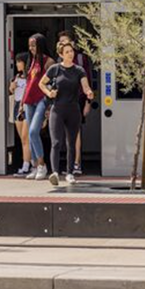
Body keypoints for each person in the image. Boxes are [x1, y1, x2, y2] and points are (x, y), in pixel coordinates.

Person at [39, 41, 95, 186]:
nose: (71, 54)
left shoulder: (79, 70)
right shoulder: (54, 69)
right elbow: (41, 83)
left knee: (71, 143)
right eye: (67, 52)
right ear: (61, 55)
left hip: (73, 110)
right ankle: (55, 173)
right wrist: (49, 93)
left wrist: (88, 92)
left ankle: (70, 173)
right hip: (57, 109)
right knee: (56, 142)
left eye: (71, 51)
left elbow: (85, 86)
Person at [56, 31, 94, 175]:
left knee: (75, 132)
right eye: (61, 42)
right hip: (61, 100)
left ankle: (76, 164)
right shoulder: (58, 63)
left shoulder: (80, 59)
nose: (64, 45)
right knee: (63, 133)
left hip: (78, 99)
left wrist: (88, 103)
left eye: (66, 41)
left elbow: (88, 82)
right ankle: (68, 165)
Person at [19, 33, 54, 180]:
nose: (31, 48)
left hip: (42, 100)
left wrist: (49, 107)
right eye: (30, 45)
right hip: (29, 101)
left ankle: (41, 165)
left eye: (34, 45)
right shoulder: (31, 61)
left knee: (33, 132)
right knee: (30, 135)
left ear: (40, 45)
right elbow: (28, 84)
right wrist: (21, 103)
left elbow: (52, 84)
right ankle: (34, 166)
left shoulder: (49, 62)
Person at [9, 55, 32, 176]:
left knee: (26, 137)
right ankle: (31, 163)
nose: (17, 64)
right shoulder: (16, 77)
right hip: (17, 106)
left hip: (26, 106)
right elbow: (11, 91)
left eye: (19, 62)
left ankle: (26, 165)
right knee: (23, 139)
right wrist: (11, 87)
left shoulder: (30, 77)